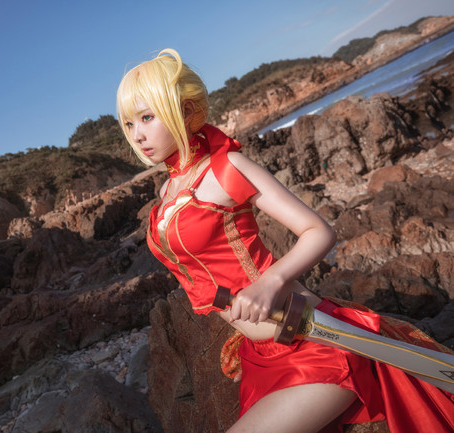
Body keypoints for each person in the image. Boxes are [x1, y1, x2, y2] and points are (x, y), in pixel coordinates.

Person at [116, 49, 454, 433]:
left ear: (184, 110)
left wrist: (269, 282)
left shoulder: (227, 168)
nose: (137, 134)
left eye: (147, 117)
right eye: (129, 123)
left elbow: (319, 231)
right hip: (261, 354)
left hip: (314, 342)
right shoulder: (167, 193)